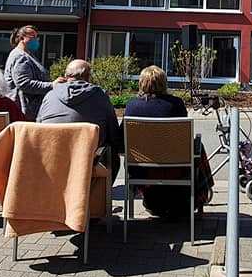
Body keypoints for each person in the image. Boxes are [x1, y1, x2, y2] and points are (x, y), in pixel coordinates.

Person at [124, 65, 212, 218]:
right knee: (198, 146)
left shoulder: (132, 106)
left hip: (143, 169)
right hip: (176, 166)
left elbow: (122, 138)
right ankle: (200, 197)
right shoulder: (175, 104)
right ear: (164, 83)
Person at [37, 59, 123, 182]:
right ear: (88, 77)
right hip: (87, 159)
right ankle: (97, 197)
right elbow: (112, 131)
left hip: (52, 156)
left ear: (66, 76)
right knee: (113, 156)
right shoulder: (99, 96)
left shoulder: (50, 95)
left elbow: (38, 126)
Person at [4, 25, 64, 120]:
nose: (36, 40)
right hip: (24, 109)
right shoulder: (20, 56)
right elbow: (23, 84)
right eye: (33, 37)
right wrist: (52, 85)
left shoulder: (28, 55)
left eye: (37, 37)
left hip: (29, 109)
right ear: (22, 38)